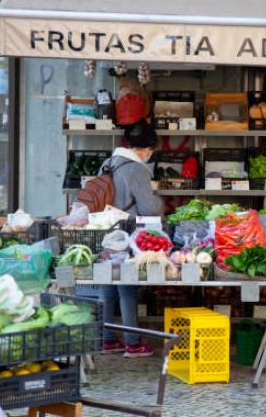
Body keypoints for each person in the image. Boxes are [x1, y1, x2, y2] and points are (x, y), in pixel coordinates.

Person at [78, 119, 162, 358]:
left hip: (104, 231)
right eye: (151, 150)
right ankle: (133, 343)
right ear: (145, 148)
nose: (150, 154)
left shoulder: (109, 163)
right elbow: (148, 207)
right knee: (127, 288)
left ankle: (107, 339)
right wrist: (161, 202)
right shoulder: (136, 169)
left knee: (107, 285)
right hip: (127, 233)